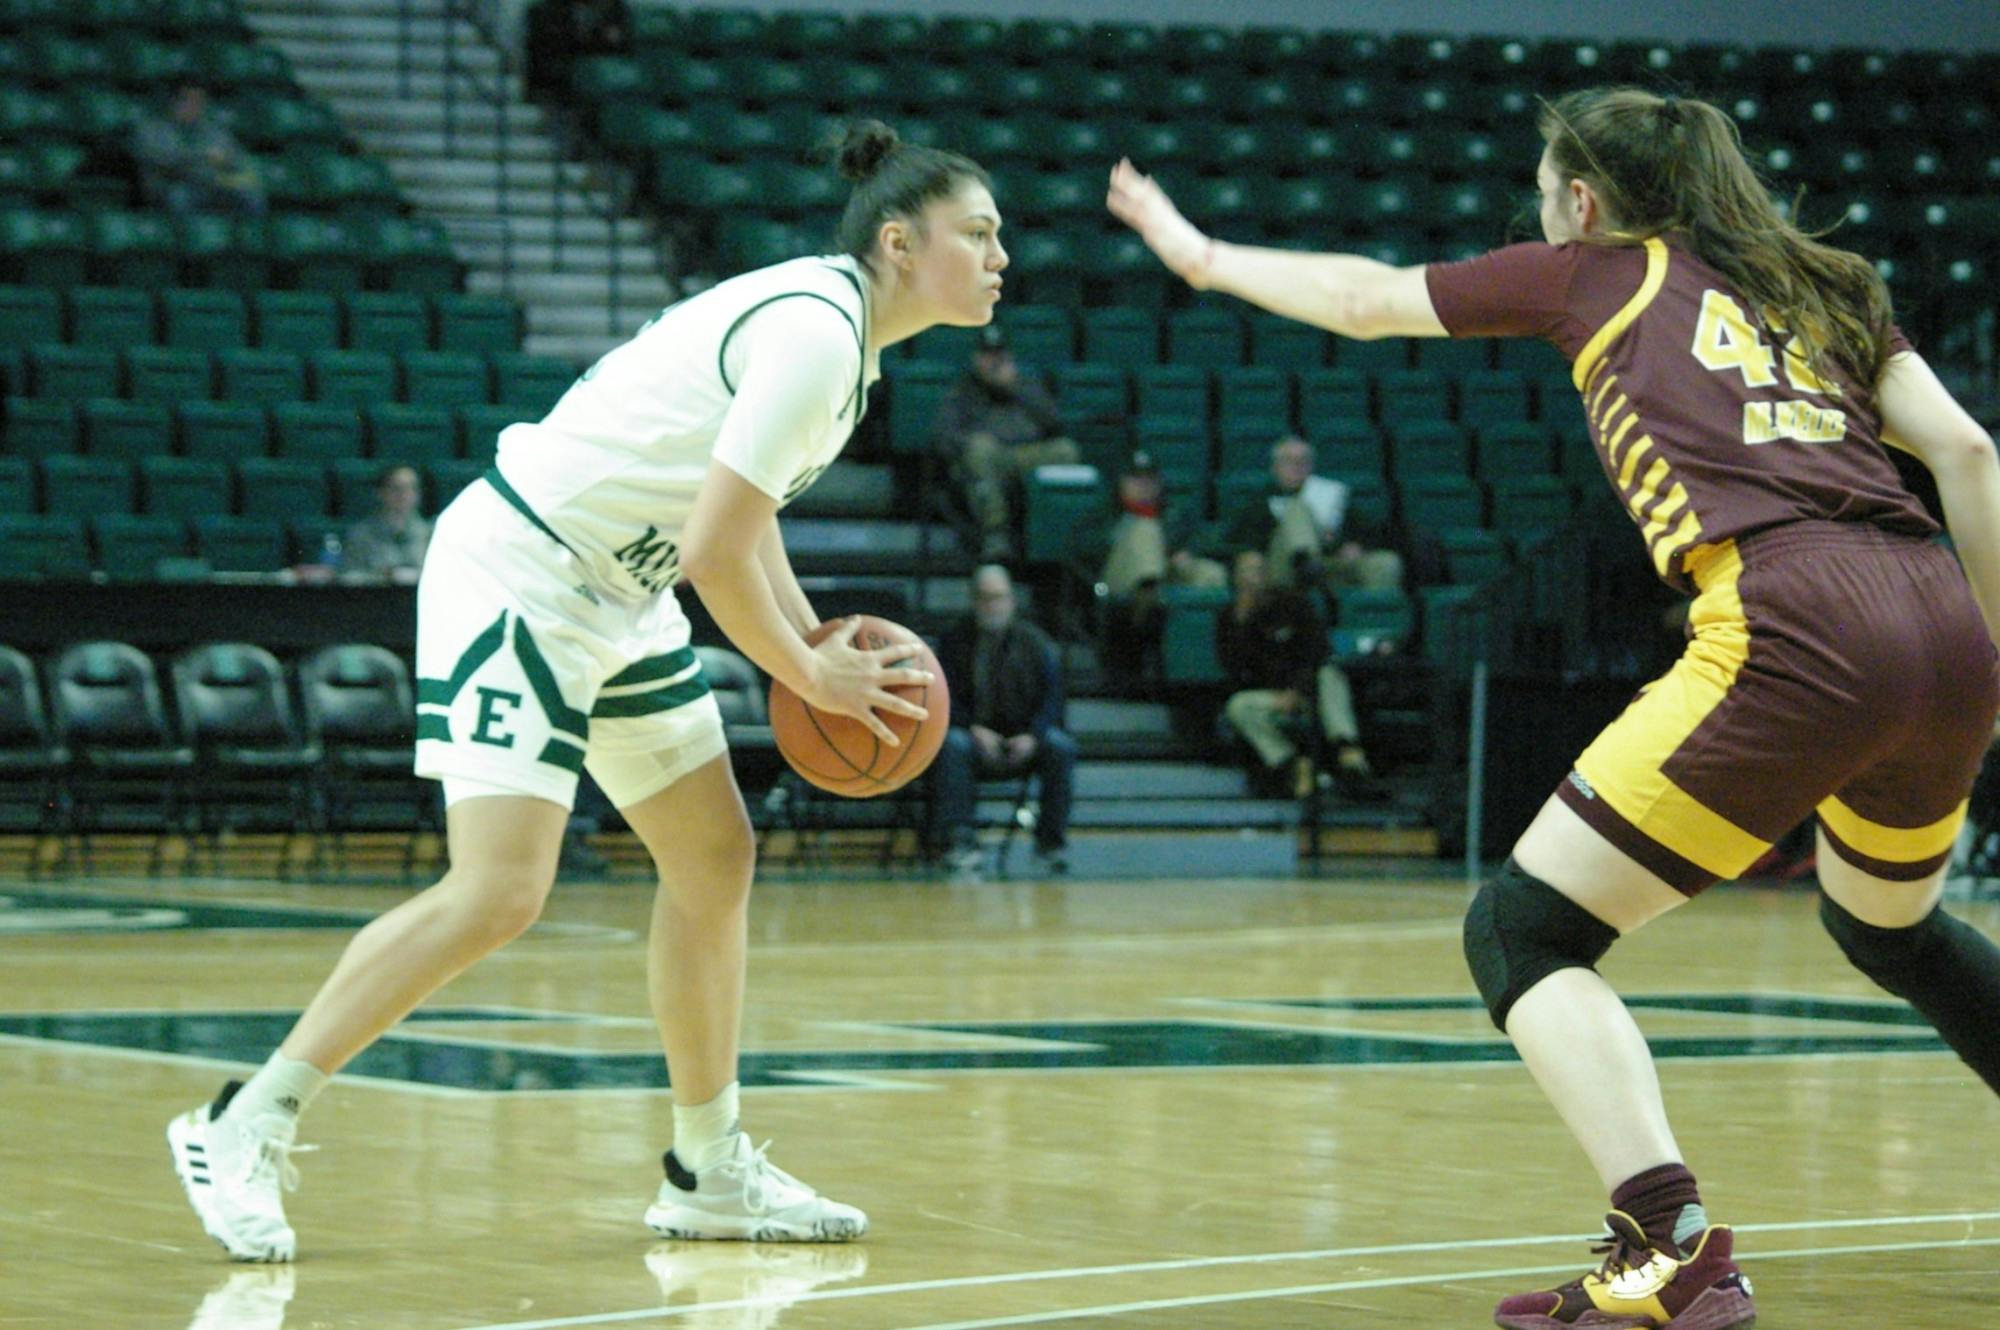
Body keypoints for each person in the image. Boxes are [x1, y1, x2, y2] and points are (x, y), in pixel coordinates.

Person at [1110, 86, 2000, 1330]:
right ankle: (1666, 1238)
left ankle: (1668, 1240)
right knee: (1892, 935)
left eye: (1541, 186)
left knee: (1521, 933)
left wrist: (1198, 254)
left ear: (1579, 201)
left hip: (1790, 613)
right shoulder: (1828, 285)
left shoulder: (1596, 274)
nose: (1537, 207)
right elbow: (1967, 455)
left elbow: (1368, 301)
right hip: (1943, 621)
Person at [166, 120, 1007, 1261]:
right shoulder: (814, 336)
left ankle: (707, 1168)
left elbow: (739, 534)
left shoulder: (839, 341)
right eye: (979, 231)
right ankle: (242, 1120)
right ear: (902, 242)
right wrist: (806, 671)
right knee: (500, 889)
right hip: (525, 571)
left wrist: (807, 636)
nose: (1001, 254)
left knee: (714, 856)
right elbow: (716, 552)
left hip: (617, 594)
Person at [926, 564, 1075, 876]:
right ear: (973, 600)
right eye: (985, 598)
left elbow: (1054, 700)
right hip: (973, 737)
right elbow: (940, 699)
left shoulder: (1036, 643)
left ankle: (1050, 845)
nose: (992, 605)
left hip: (1024, 738)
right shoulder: (954, 642)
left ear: (1011, 600)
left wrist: (1033, 735)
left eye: (998, 597)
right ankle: (961, 842)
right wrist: (972, 728)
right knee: (952, 744)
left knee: (1060, 746)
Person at [1216, 550, 1370, 799]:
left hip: (1310, 690)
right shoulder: (1228, 617)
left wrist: (1298, 690)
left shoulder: (1294, 603)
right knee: (1238, 706)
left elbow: (1318, 652)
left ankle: (1348, 750)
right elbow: (1234, 670)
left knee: (1331, 674)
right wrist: (1241, 623)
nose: (1252, 578)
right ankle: (1292, 765)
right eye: (1245, 572)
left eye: (1257, 570)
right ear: (1235, 578)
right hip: (1272, 694)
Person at [934, 323, 1079, 559]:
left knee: (1067, 450)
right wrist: (975, 442)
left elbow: (1054, 423)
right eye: (987, 355)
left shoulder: (1026, 386)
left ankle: (1058, 535)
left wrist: (1014, 389)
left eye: (998, 355)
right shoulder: (962, 392)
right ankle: (995, 533)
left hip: (1026, 455)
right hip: (988, 459)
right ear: (975, 358)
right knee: (980, 449)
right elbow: (943, 437)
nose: (993, 362)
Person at [1097, 449, 1226, 683]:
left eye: (1149, 479)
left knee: (1211, 572)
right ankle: (1147, 622)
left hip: (1167, 577)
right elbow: (1086, 549)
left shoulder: (1175, 513)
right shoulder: (1106, 514)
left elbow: (1200, 543)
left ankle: (1195, 659)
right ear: (1121, 483)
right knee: (1145, 529)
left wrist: (1183, 555)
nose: (1143, 485)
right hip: (1116, 581)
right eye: (1136, 479)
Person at [1216, 436, 1404, 592]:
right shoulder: (1259, 502)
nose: (1297, 466)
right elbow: (1240, 541)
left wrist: (1358, 546)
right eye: (1289, 461)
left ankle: (1374, 631)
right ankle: (1306, 562)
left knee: (1385, 562)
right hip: (1283, 568)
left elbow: (1371, 530)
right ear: (1275, 467)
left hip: (1332, 562)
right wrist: (1252, 555)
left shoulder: (1332, 495)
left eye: (1303, 461)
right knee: (1296, 509)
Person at [132, 84, 264, 218]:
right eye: (189, 101)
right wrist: (200, 158)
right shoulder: (152, 129)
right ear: (174, 103)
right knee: (179, 197)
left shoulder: (213, 130)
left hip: (212, 185)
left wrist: (226, 163)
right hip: (172, 186)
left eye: (199, 102)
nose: (195, 108)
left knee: (250, 197)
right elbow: (160, 161)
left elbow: (233, 158)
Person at [341, 464, 432, 582]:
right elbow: (349, 576)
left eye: (411, 488)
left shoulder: (430, 533)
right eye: (396, 488)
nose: (404, 494)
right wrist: (382, 577)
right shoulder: (360, 534)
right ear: (381, 492)